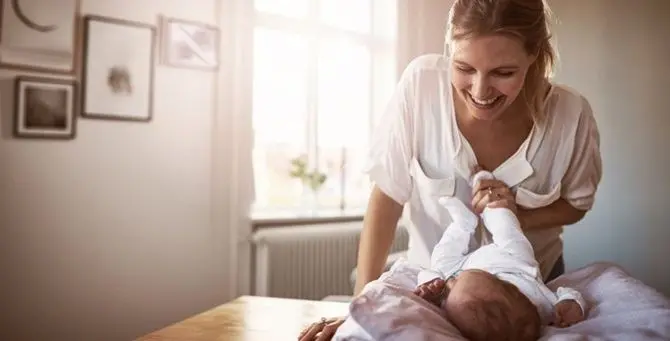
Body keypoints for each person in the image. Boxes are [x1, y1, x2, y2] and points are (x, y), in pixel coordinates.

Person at [299, 0, 602, 339]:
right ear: (449, 47)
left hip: (528, 297)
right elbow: (387, 196)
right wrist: (362, 308)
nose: (480, 90)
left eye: (503, 72)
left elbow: (576, 205)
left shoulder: (571, 115)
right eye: (464, 68)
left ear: (535, 56)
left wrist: (516, 215)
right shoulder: (421, 85)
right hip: (431, 289)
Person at [413, 170, 587, 341]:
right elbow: (566, 294)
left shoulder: (458, 303)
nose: (453, 282)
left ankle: (462, 224)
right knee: (506, 227)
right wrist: (571, 303)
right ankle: (490, 199)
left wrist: (431, 286)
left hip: (463, 266)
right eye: (456, 283)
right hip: (514, 263)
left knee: (439, 262)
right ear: (511, 289)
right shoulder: (541, 305)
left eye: (454, 286)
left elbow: (436, 282)